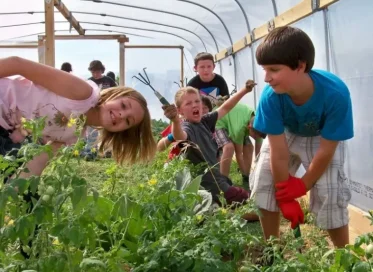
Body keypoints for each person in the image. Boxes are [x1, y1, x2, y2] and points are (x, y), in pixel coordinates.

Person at [250, 26, 353, 248]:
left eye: (274, 69)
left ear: (300, 65)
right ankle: (273, 251)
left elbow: (326, 150)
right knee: (265, 181)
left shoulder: (336, 94)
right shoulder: (271, 97)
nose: (266, 78)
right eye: (264, 69)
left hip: (321, 136)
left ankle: (344, 257)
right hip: (287, 133)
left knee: (330, 190)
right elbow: (278, 154)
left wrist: (304, 184)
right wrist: (286, 196)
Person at [0, 56, 156, 177]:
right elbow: (17, 64)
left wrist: (18, 194)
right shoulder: (82, 93)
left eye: (128, 121)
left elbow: (36, 164)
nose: (122, 115)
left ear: (122, 132)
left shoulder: (73, 136)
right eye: (123, 105)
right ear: (112, 95)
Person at [162, 80, 256, 205]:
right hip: (209, 188)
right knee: (254, 205)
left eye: (197, 101)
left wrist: (244, 90)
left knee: (249, 199)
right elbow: (181, 137)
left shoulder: (205, 121)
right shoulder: (187, 127)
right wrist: (174, 121)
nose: (195, 105)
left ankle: (221, 208)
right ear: (180, 111)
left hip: (218, 181)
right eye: (188, 103)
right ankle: (219, 208)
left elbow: (226, 107)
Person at [214, 103, 266, 190]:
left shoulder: (260, 125)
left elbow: (258, 154)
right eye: (255, 136)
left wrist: (258, 173)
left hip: (236, 120)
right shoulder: (239, 129)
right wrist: (244, 175)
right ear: (249, 128)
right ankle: (223, 183)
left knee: (249, 147)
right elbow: (239, 154)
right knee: (229, 147)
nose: (256, 138)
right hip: (219, 121)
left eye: (259, 136)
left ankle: (247, 176)